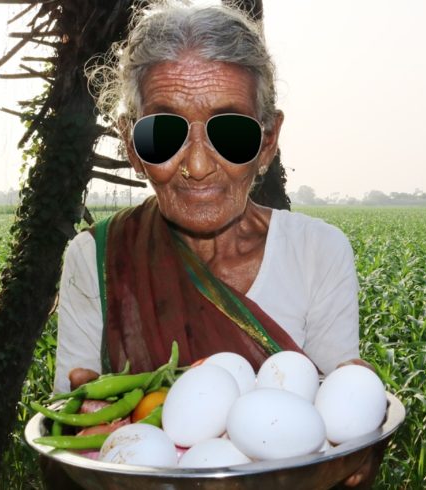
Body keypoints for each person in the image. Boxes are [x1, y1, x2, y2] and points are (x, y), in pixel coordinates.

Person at [48, 2, 384, 488]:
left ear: (268, 141)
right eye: (164, 133)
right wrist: (89, 417)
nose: (199, 166)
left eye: (230, 131)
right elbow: (73, 434)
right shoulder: (97, 257)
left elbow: (332, 427)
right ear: (131, 146)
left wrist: (357, 442)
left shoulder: (318, 253)